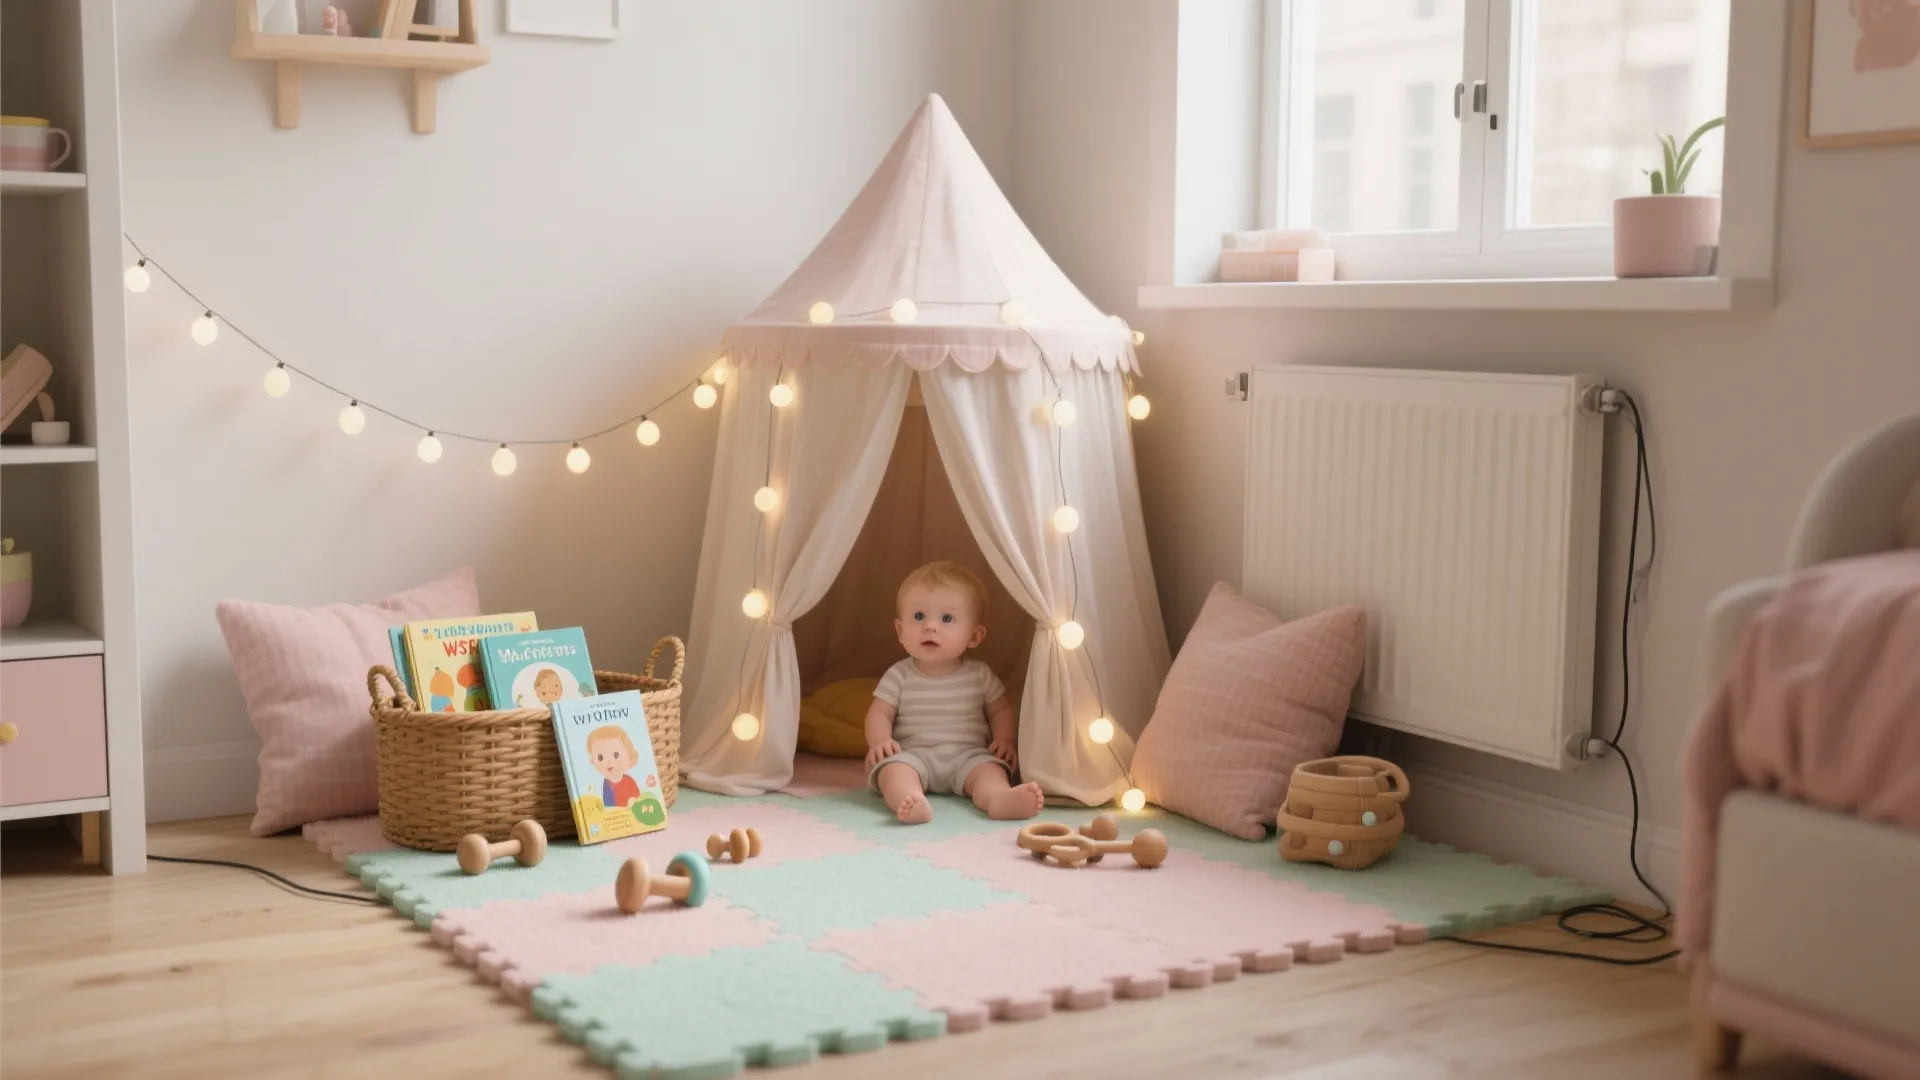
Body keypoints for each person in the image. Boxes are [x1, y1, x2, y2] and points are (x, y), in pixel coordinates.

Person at [864, 560, 1044, 824]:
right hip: (913, 754)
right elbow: (879, 712)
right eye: (918, 616)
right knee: (892, 772)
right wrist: (879, 742)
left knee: (991, 772)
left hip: (969, 755)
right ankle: (909, 799)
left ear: (974, 636)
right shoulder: (899, 675)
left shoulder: (980, 675)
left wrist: (1004, 740)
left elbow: (1000, 710)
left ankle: (998, 799)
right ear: (901, 632)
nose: (930, 626)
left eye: (946, 618)